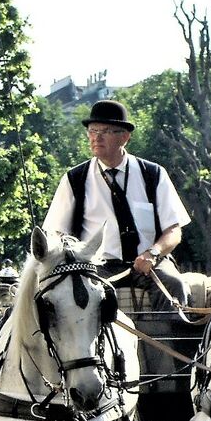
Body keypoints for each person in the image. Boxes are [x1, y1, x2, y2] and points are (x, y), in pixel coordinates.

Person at [42, 100, 191, 309]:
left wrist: (153, 253)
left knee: (175, 285)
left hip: (149, 263)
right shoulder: (74, 179)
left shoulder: (153, 174)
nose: (97, 137)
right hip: (96, 266)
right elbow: (56, 234)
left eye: (106, 131)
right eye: (92, 131)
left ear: (125, 137)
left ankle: (171, 343)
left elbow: (173, 230)